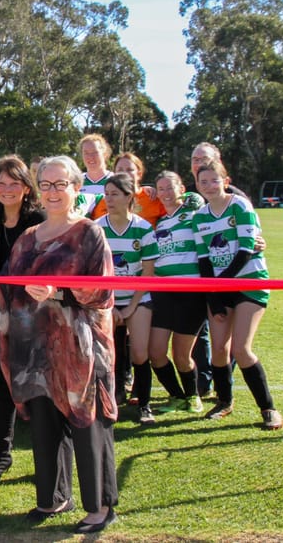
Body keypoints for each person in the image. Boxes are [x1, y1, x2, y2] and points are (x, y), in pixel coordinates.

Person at [0, 155, 117, 533]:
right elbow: (11, 286)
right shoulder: (27, 239)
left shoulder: (89, 234)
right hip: (37, 349)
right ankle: (53, 498)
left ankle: (100, 507)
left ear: (76, 188)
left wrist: (59, 290)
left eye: (60, 184)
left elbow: (102, 291)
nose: (52, 192)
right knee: (46, 423)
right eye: (45, 185)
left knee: (87, 421)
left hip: (81, 348)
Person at [0, 155, 48, 486]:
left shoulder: (41, 220)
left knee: (40, 385)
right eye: (0, 183)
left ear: (26, 187)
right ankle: (1, 456)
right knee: (3, 385)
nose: (6, 189)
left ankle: (47, 457)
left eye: (13, 183)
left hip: (36, 314)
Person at [193, 160, 283, 430]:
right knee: (218, 350)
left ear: (226, 180)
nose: (209, 186)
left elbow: (245, 252)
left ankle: (269, 409)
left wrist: (220, 285)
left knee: (240, 349)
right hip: (221, 286)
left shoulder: (240, 206)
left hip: (249, 281)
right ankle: (224, 402)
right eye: (203, 182)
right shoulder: (200, 216)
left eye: (214, 180)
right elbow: (204, 261)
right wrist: (213, 295)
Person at [95, 173, 163, 424]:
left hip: (138, 299)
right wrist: (110, 304)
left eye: (114, 194)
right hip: (106, 301)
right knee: (107, 355)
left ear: (128, 197)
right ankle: (108, 402)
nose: (108, 199)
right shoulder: (97, 228)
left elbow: (147, 273)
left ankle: (144, 405)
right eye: (106, 194)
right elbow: (95, 271)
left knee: (140, 353)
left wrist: (131, 307)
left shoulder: (143, 228)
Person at [148, 171, 206, 415]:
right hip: (163, 293)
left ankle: (193, 396)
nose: (165, 193)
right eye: (160, 189)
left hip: (191, 292)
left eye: (170, 187)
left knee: (182, 354)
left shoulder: (194, 214)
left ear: (181, 188)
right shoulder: (160, 223)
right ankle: (176, 396)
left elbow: (204, 206)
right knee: (156, 352)